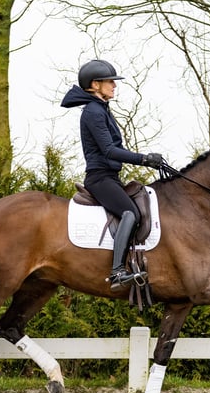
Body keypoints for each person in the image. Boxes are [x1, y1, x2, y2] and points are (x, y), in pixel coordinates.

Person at [61, 59, 164, 290]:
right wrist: (144, 159)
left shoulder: (101, 109)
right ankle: (117, 271)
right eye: (110, 82)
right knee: (130, 212)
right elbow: (109, 150)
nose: (114, 86)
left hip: (110, 177)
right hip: (100, 178)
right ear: (95, 84)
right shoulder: (93, 112)